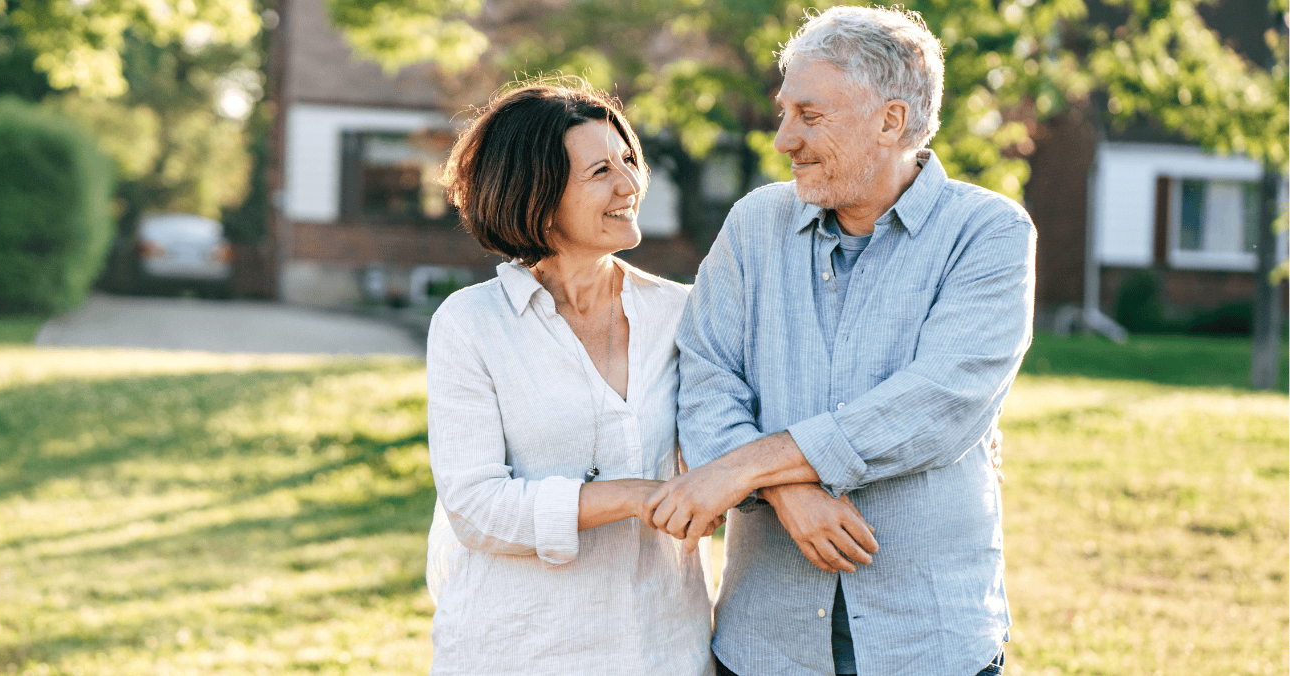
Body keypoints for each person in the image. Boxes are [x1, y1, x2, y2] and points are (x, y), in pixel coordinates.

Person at [644, 6, 1035, 676]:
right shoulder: (753, 224)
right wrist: (783, 491)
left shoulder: (988, 233)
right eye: (783, 112)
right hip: (765, 640)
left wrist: (743, 467)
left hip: (928, 641)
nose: (782, 140)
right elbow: (706, 380)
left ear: (890, 121)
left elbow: (936, 405)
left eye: (810, 116)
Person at [424, 81, 716, 676]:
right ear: (537, 194)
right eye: (601, 171)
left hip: (663, 647)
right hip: (520, 649)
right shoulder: (472, 324)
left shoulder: (685, 313)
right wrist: (633, 497)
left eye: (630, 161)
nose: (630, 185)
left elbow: (725, 444)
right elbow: (475, 508)